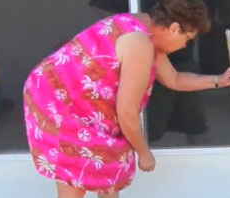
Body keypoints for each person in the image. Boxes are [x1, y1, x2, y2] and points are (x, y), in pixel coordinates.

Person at [22, 0, 230, 198]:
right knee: (72, 189)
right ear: (175, 27)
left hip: (84, 103)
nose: (183, 46)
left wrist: (220, 80)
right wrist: (144, 152)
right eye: (186, 39)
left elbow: (174, 79)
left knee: (107, 155)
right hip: (59, 103)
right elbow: (127, 114)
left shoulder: (147, 28)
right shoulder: (139, 44)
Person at [88, 0, 211, 145]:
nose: (185, 42)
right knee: (150, 127)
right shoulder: (139, 40)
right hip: (146, 58)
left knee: (195, 125)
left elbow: (175, 79)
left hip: (181, 60)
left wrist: (221, 80)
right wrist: (127, 31)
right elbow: (99, 6)